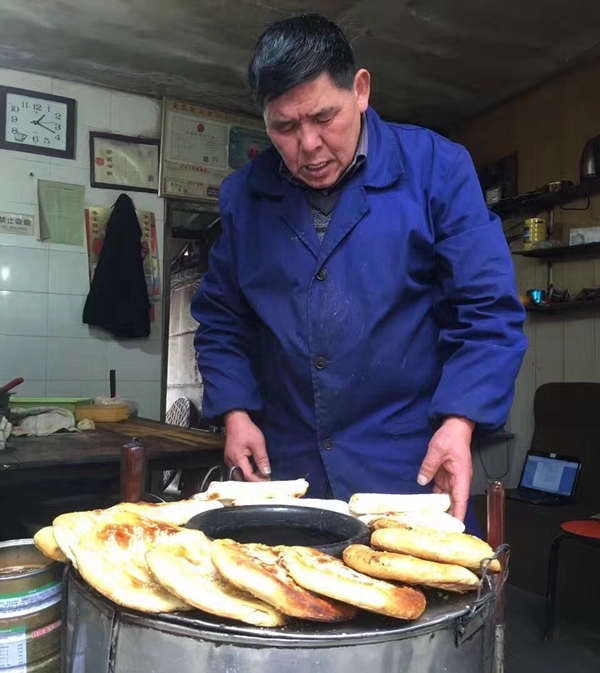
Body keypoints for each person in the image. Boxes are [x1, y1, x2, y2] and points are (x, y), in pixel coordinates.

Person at [192, 13, 527, 529]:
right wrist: (235, 412)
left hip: (408, 470)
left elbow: (488, 313)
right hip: (286, 470)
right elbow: (221, 320)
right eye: (284, 126)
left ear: (361, 90)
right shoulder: (245, 196)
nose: (308, 144)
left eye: (325, 117)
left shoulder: (437, 169)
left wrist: (460, 423)